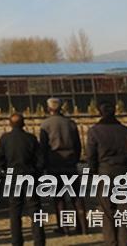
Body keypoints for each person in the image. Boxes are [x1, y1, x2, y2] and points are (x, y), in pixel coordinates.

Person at [86, 101, 127, 246]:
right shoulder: (126, 130)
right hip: (124, 170)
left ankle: (111, 241)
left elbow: (91, 155)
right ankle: (125, 242)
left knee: (107, 210)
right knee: (124, 209)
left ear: (99, 112)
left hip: (105, 171)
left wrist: (93, 171)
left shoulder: (94, 131)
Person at [39, 97, 87, 236]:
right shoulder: (70, 123)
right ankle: (83, 226)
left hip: (54, 163)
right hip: (70, 162)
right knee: (76, 196)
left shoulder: (45, 125)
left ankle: (64, 227)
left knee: (59, 198)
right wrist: (75, 158)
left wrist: (44, 164)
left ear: (48, 108)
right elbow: (77, 144)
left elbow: (43, 147)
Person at [0, 112, 46, 246]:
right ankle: (39, 241)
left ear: (10, 124)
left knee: (15, 210)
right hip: (29, 174)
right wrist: (36, 172)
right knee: (35, 209)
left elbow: (0, 159)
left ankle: (17, 241)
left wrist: (6, 170)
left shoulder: (5, 139)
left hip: (13, 176)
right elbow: (40, 159)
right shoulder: (31, 138)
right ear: (23, 123)